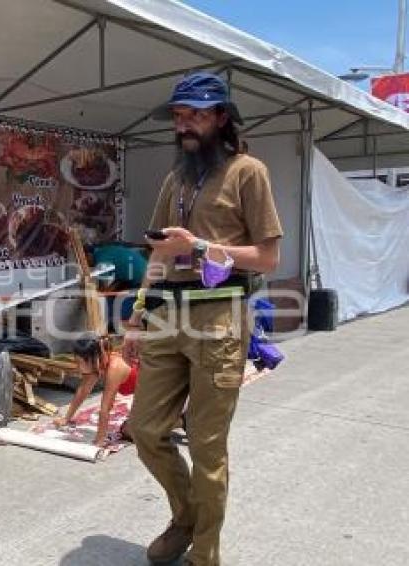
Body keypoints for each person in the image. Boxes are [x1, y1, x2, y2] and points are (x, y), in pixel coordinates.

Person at [122, 72, 283, 566]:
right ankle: (187, 517)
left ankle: (204, 556)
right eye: (178, 115)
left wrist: (197, 246)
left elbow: (267, 257)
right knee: (145, 429)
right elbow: (158, 255)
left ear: (220, 118)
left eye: (194, 114)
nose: (184, 124)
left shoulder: (248, 172)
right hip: (169, 317)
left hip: (219, 322)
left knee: (209, 448)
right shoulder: (176, 179)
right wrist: (139, 314)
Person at [53, 333, 139, 447]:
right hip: (139, 393)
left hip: (152, 391)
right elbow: (83, 390)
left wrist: (100, 439)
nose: (78, 367)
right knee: (128, 430)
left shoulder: (115, 368)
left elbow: (106, 407)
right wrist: (66, 418)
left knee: (131, 432)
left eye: (80, 362)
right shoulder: (96, 364)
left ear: (94, 359)